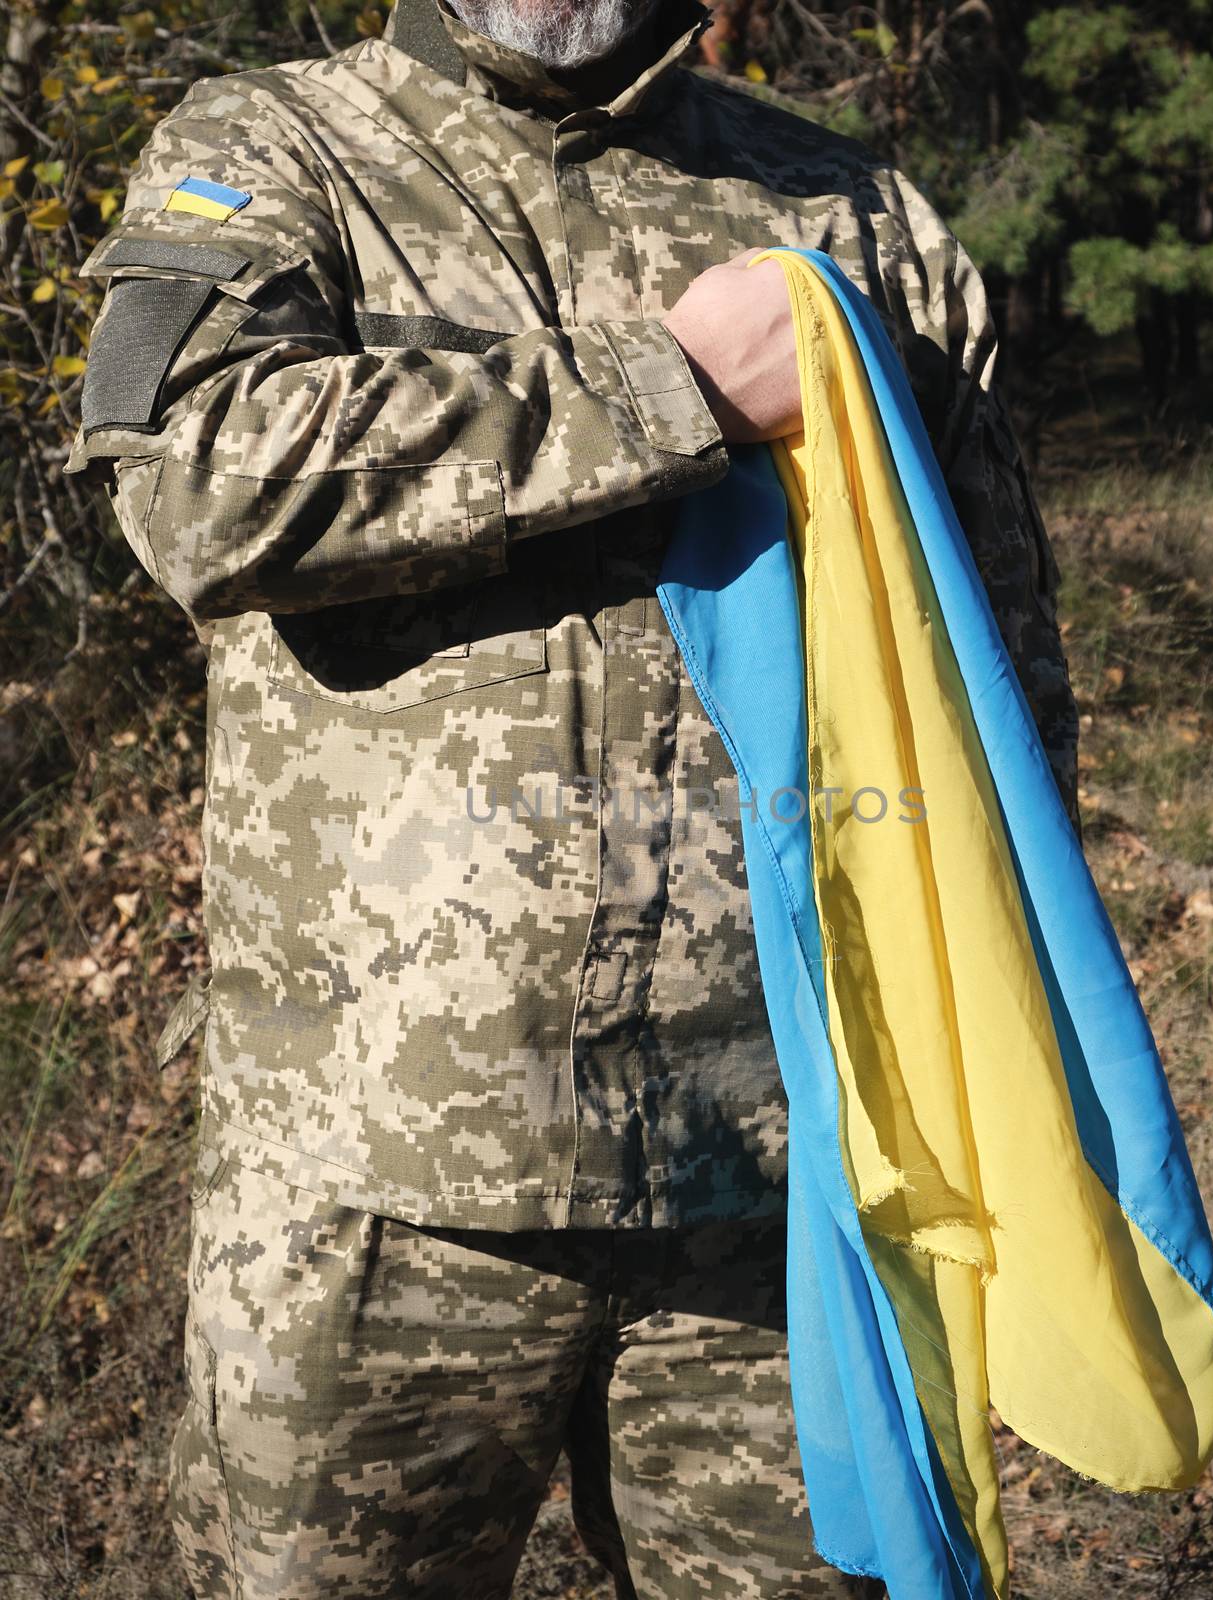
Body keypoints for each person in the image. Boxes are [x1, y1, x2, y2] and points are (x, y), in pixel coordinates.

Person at [64, 0, 1080, 1595]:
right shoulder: (279, 149)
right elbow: (196, 484)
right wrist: (667, 384)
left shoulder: (851, 212)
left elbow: (996, 666)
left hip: (784, 1178)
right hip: (376, 1195)